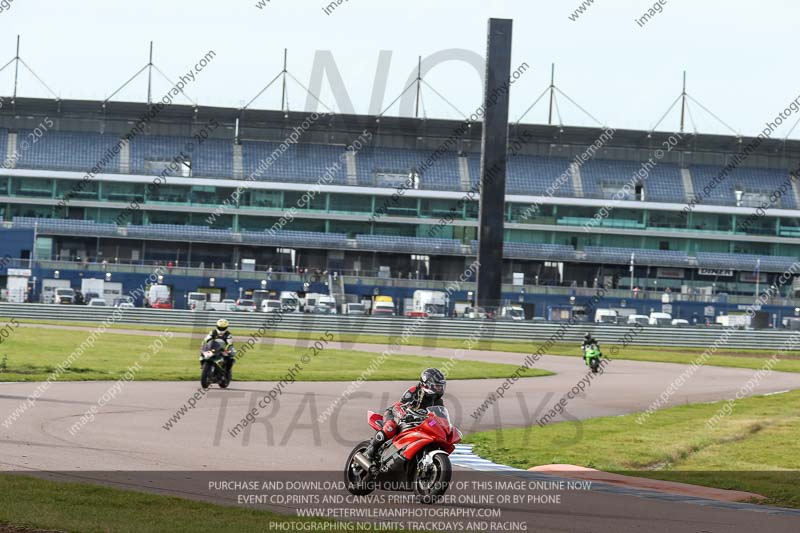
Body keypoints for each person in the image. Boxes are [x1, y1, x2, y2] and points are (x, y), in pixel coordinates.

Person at [363, 368, 447, 462]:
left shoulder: (437, 400)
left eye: (441, 386)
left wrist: (444, 425)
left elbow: (440, 415)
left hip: (417, 423)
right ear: (427, 384)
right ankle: (370, 452)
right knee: (390, 428)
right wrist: (405, 414)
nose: (440, 389)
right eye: (437, 386)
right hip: (396, 414)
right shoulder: (414, 391)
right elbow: (399, 406)